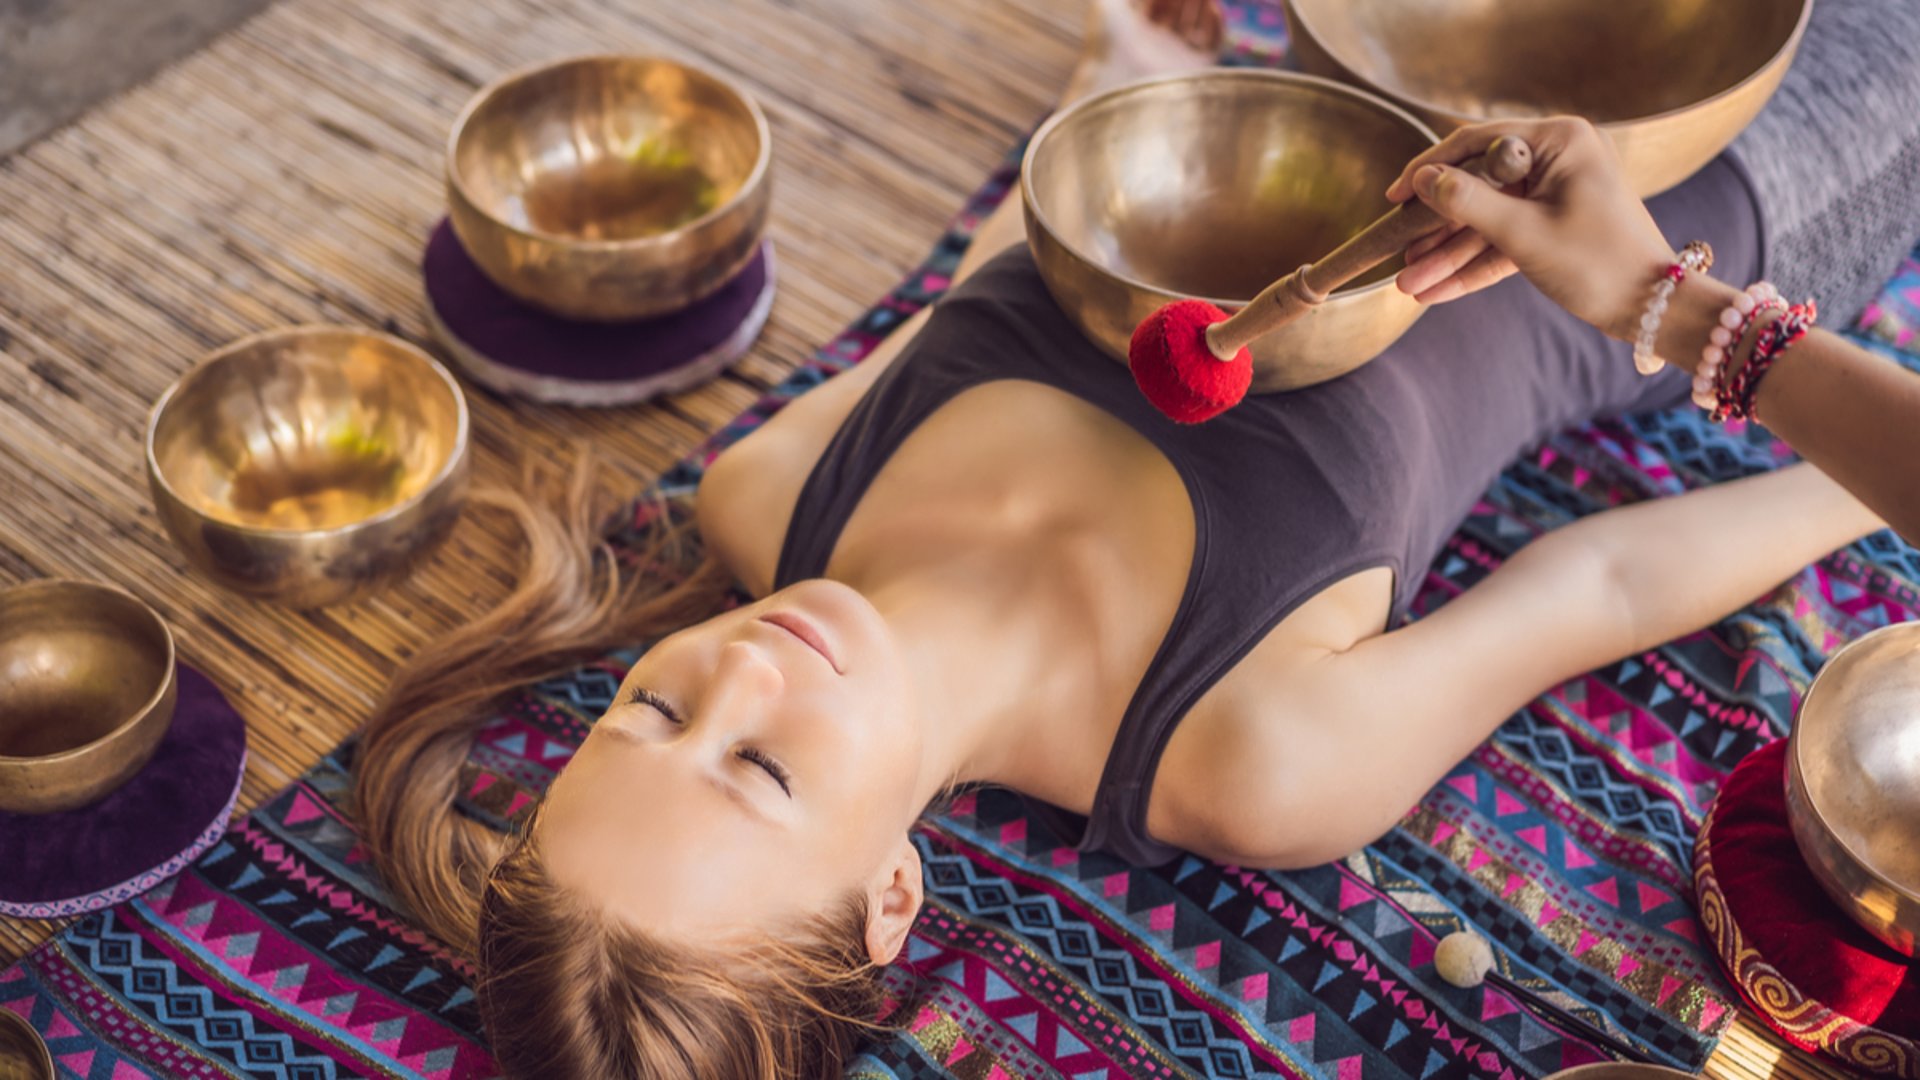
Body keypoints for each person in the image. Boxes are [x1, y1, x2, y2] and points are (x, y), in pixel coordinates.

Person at [350, 0, 1920, 1076]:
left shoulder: (766, 495)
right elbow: (1601, 579)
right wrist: (1882, 468)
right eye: (761, 773)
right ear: (891, 898)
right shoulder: (1249, 760)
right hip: (1707, 183)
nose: (739, 677)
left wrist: (1114, 80)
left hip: (1366, 50)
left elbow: (993, 257)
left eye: (650, 713)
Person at [1385, 115, 1920, 544]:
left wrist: (1651, 297)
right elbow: (1616, 585)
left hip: (1722, 204)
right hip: (1755, 202)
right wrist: (1654, 299)